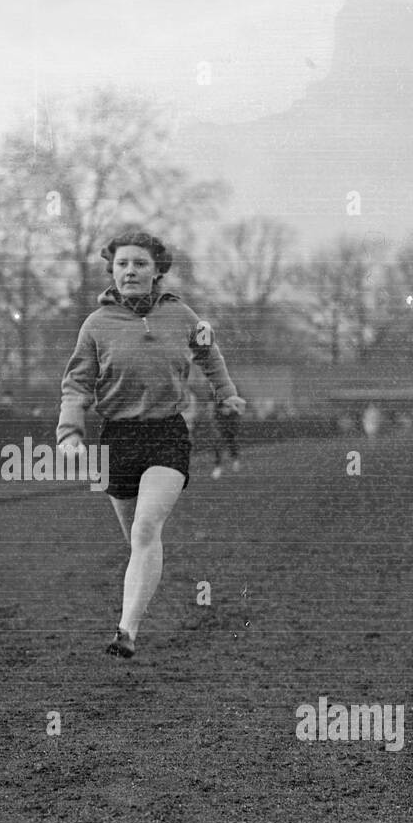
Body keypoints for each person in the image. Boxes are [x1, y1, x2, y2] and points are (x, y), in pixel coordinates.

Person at [57, 228, 245, 659]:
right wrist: (69, 434)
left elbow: (208, 353)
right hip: (117, 438)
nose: (130, 271)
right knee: (138, 540)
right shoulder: (96, 325)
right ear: (112, 270)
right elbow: (76, 385)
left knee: (146, 529)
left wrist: (226, 392)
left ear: (157, 270)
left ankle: (126, 632)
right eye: (122, 264)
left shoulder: (180, 315)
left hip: (166, 434)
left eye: (140, 264)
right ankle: (143, 586)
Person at [210, 396, 242, 479]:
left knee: (232, 443)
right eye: (224, 408)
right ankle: (218, 467)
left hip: (231, 427)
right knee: (218, 446)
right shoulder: (217, 414)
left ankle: (235, 460)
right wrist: (219, 431)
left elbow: (236, 424)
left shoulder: (234, 413)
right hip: (222, 427)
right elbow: (214, 423)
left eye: (227, 407)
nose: (225, 409)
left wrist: (232, 430)